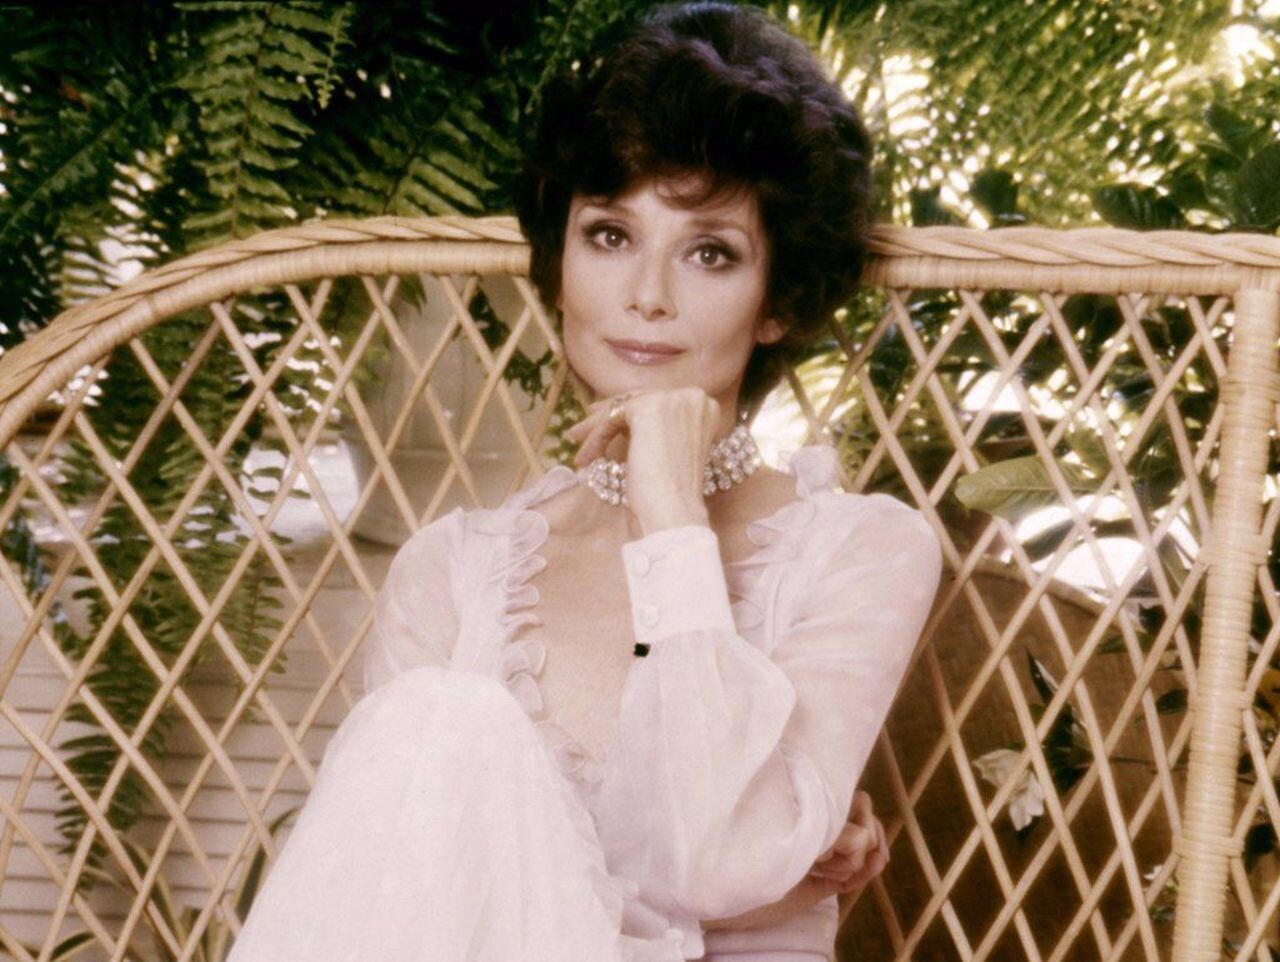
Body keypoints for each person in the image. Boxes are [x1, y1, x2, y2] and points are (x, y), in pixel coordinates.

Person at [224, 3, 943, 960]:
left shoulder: (864, 551)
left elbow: (714, 861)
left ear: (777, 301)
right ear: (559, 267)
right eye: (609, 235)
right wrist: (774, 856)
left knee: (446, 717)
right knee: (442, 720)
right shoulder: (452, 574)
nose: (647, 295)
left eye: (710, 252)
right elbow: (390, 889)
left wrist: (672, 513)